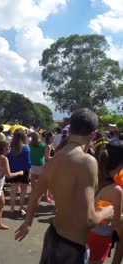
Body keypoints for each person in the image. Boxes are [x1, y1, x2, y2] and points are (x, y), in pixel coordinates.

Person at [15, 108, 114, 264]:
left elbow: (35, 194)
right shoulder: (87, 161)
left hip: (53, 236)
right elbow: (88, 219)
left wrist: (28, 222)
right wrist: (107, 212)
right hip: (72, 247)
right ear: (93, 134)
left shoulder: (54, 159)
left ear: (71, 129)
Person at [86, 139, 122, 264]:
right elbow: (117, 223)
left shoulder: (95, 177)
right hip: (101, 237)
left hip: (86, 232)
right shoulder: (116, 190)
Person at [7, 131, 31, 215]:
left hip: (13, 170)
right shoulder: (26, 148)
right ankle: (21, 207)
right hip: (24, 171)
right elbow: (28, 162)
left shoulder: (10, 147)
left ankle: (12, 208)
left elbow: (8, 160)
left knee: (13, 190)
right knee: (23, 190)